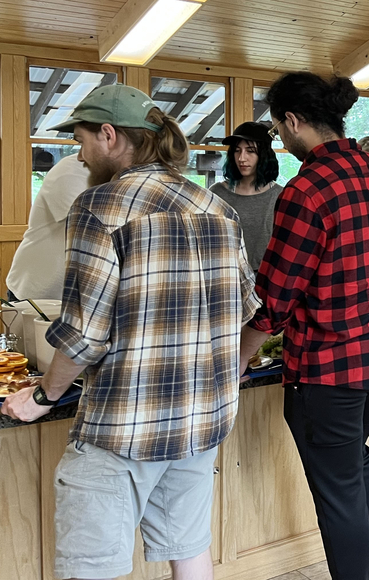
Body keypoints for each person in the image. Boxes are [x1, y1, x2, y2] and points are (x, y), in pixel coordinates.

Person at [1, 84, 259, 580]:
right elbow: (246, 309)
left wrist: (42, 395)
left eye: (81, 141)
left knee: (90, 568)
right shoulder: (217, 209)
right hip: (202, 419)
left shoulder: (100, 206)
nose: (80, 154)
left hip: (124, 423)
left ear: (109, 135)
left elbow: (84, 334)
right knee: (190, 549)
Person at [238, 72, 369, 580]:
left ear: (293, 121)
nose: (280, 138)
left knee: (337, 493)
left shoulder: (306, 189)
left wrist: (238, 357)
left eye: (277, 127)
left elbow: (274, 298)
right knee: (354, 465)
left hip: (328, 367)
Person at [6, 154, 90, 300]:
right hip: (39, 294)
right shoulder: (72, 168)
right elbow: (93, 228)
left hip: (79, 298)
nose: (82, 152)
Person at [210, 121, 284, 269]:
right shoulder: (216, 193)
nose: (242, 158)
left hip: (266, 280)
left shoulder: (280, 195)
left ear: (264, 154)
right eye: (237, 150)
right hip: (226, 276)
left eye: (250, 151)